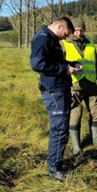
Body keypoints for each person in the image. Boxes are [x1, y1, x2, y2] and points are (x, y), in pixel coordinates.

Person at [30, 17, 80, 180]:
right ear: (59, 26)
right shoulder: (43, 38)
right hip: (54, 91)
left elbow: (54, 61)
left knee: (62, 128)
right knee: (59, 129)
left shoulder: (51, 39)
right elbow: (37, 64)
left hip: (60, 89)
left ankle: (56, 162)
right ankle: (54, 169)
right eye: (65, 34)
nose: (65, 37)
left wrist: (71, 64)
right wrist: (65, 70)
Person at [61, 18, 97, 156]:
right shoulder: (64, 44)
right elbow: (61, 66)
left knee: (96, 112)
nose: (79, 32)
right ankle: (76, 146)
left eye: (81, 29)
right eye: (76, 30)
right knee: (75, 114)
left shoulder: (91, 45)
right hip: (74, 86)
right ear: (71, 30)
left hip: (92, 85)